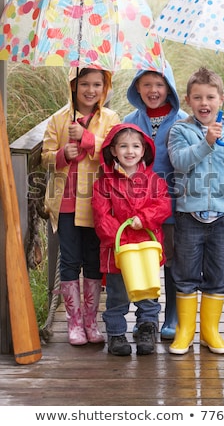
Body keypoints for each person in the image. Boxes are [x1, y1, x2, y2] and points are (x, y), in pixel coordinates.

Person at [167, 67, 224, 355]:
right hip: (190, 215)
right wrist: (207, 142)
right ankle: (185, 331)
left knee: (219, 274)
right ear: (189, 100)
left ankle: (210, 332)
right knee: (186, 273)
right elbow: (180, 162)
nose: (205, 103)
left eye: (211, 97)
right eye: (198, 97)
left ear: (220, 99)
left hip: (223, 218)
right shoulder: (181, 130)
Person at [41, 67, 120, 346]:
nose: (90, 90)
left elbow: (114, 152)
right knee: (71, 261)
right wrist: (63, 154)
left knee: (94, 261)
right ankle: (74, 323)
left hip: (96, 203)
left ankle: (90, 321)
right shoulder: (58, 120)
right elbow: (45, 158)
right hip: (65, 204)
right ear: (73, 86)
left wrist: (87, 139)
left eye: (97, 84)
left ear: (105, 87)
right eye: (84, 84)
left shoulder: (110, 119)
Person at [91, 124, 172, 356]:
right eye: (123, 146)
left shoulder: (154, 181)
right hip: (118, 252)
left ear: (144, 149)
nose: (130, 151)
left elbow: (163, 206)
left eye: (135, 146)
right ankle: (116, 335)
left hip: (145, 249)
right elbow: (101, 217)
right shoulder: (104, 184)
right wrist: (122, 240)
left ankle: (147, 329)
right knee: (117, 295)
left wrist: (143, 218)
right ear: (113, 150)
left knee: (148, 293)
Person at [123, 62, 188, 340]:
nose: (153, 90)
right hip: (138, 207)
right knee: (142, 260)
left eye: (160, 85)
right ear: (137, 86)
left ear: (169, 89)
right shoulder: (129, 121)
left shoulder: (184, 120)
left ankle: (172, 315)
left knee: (173, 261)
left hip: (172, 204)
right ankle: (146, 315)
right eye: (147, 84)